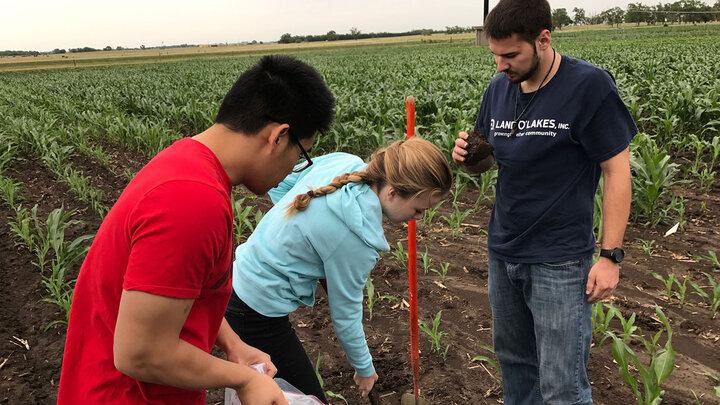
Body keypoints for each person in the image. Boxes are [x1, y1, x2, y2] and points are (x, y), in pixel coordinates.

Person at [58, 54, 335, 405]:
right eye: (301, 156)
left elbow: (180, 288)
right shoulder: (192, 199)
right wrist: (245, 382)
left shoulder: (187, 162)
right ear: (278, 137)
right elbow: (139, 353)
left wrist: (233, 345)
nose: (294, 169)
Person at [452, 0, 636, 403]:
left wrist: (610, 256)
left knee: (561, 385)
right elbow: (489, 160)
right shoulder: (499, 89)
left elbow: (616, 172)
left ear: (543, 39)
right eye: (495, 55)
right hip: (503, 252)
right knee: (515, 368)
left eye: (511, 54)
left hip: (559, 260)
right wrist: (468, 156)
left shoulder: (589, 86)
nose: (501, 65)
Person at [224, 137, 452, 401]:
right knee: (310, 399)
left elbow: (282, 185)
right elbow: (346, 316)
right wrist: (365, 370)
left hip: (239, 278)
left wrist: (304, 238)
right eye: (418, 209)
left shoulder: (347, 163)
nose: (420, 218)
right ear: (391, 192)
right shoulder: (357, 239)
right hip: (255, 309)